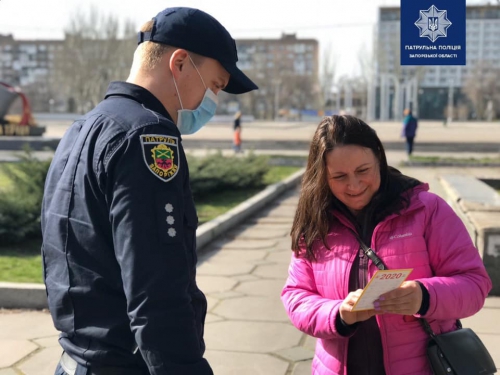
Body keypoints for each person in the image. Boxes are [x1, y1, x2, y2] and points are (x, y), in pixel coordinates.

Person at [41, 7, 257, 375]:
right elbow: (156, 293)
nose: (212, 100)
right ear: (180, 64)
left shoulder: (83, 128)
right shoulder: (149, 138)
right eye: (215, 85)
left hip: (77, 360)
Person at [281, 115, 491, 375]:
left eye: (363, 171)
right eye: (339, 176)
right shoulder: (315, 223)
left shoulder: (427, 210)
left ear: (379, 160)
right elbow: (296, 297)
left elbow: (475, 284)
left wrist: (424, 296)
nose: (354, 185)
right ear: (321, 176)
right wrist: (338, 313)